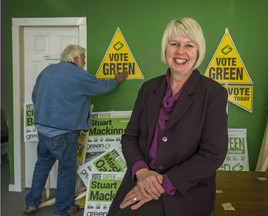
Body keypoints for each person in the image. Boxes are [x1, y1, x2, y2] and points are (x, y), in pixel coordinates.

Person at [108, 17, 228, 216]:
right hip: (142, 177)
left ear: (198, 51)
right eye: (174, 44)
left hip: (185, 188)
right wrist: (143, 173)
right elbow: (130, 137)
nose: (181, 51)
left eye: (189, 45)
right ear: (166, 49)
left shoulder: (213, 93)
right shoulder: (148, 89)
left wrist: (162, 183)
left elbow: (213, 154)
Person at [23, 44, 128, 216]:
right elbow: (101, 86)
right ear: (76, 58)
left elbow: (35, 96)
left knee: (42, 166)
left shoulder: (47, 71)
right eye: (84, 59)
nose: (85, 62)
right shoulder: (78, 75)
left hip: (42, 130)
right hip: (63, 133)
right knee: (67, 171)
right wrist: (116, 79)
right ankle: (63, 209)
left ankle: (31, 203)